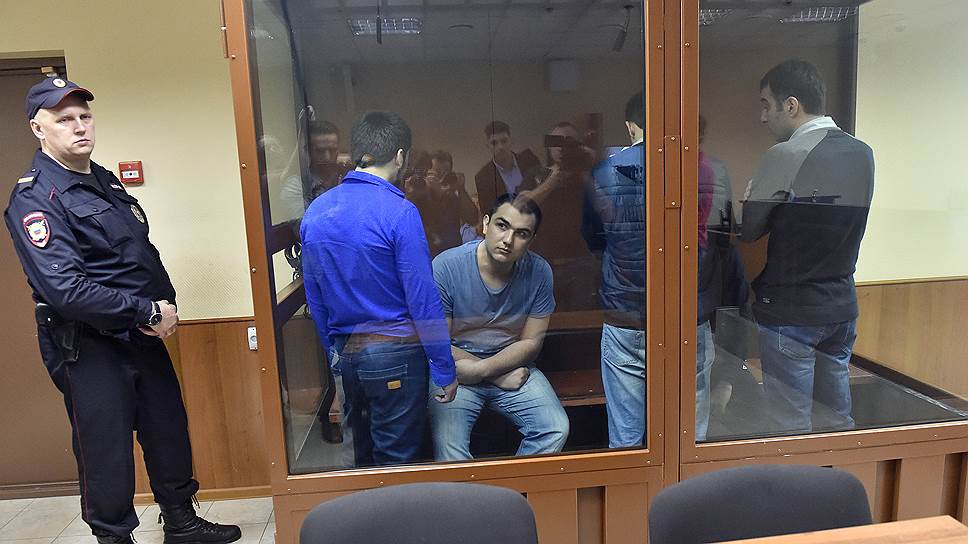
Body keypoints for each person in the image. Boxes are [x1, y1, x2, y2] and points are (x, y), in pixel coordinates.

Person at [3, 77, 240, 543]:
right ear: (37, 128)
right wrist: (147, 311)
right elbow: (66, 290)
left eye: (85, 116)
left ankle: (181, 522)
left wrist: (159, 309)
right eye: (64, 120)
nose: (79, 127)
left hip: (140, 334)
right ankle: (113, 537)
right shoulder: (35, 198)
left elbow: (137, 254)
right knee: (105, 449)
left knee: (167, 428)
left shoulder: (104, 180)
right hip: (89, 345)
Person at [300, 111, 458, 466]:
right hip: (396, 354)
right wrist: (444, 368)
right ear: (400, 156)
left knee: (361, 459)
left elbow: (315, 295)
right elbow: (422, 299)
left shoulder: (317, 211)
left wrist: (333, 355)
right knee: (397, 463)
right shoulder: (400, 211)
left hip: (346, 353)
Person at [742, 60, 874, 434]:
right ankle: (839, 474)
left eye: (766, 104)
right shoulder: (863, 152)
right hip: (841, 305)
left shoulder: (784, 154)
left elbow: (750, 230)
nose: (762, 116)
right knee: (837, 420)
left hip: (792, 309)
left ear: (791, 105)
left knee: (790, 427)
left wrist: (751, 198)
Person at [429, 193, 568, 460]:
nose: (508, 240)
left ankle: (514, 488)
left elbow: (531, 343)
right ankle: (471, 493)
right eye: (502, 226)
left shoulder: (539, 271)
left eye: (522, 233)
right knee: (450, 448)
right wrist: (493, 375)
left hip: (511, 364)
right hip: (457, 367)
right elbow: (439, 344)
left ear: (531, 240)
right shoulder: (446, 266)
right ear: (485, 223)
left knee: (554, 428)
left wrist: (484, 370)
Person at [582, 92, 647, 448]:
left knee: (626, 433)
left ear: (630, 126)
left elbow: (593, 239)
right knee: (687, 429)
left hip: (623, 309)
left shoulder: (603, 172)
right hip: (683, 316)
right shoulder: (694, 167)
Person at [525, 121, 601, 312]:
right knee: (542, 320)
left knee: (580, 320)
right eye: (556, 141)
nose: (561, 147)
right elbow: (521, 207)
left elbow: (605, 209)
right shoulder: (536, 174)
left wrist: (588, 171)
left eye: (568, 142)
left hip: (581, 263)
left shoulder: (586, 176)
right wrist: (550, 182)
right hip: (543, 264)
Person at [407, 150, 480, 256]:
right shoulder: (419, 196)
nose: (441, 178)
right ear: (427, 174)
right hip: (428, 254)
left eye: (445, 173)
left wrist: (461, 189)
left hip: (452, 256)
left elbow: (473, 219)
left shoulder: (452, 197)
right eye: (436, 172)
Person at [278, 120, 351, 218]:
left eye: (332, 150)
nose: (327, 157)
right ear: (307, 151)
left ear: (338, 150)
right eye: (320, 151)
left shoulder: (346, 177)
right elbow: (307, 225)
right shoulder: (296, 186)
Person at [474, 121, 543, 212]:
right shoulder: (483, 177)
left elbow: (543, 188)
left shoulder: (529, 159)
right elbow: (488, 213)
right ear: (488, 146)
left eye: (504, 141)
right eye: (494, 143)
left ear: (511, 141)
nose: (500, 147)